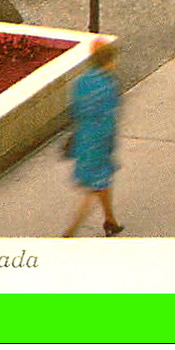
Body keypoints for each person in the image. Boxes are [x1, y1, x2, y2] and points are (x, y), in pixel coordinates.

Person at [63, 40, 124, 237]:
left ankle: (110, 220)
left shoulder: (80, 82)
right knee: (95, 186)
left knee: (102, 184)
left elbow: (74, 112)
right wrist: (109, 144)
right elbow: (109, 119)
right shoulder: (108, 85)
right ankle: (70, 232)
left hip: (83, 138)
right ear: (107, 61)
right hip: (99, 142)